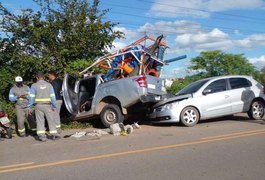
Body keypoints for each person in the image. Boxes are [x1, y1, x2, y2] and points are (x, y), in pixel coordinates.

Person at [28, 72, 60, 142]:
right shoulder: (49, 85)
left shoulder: (34, 85)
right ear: (44, 77)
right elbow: (52, 96)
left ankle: (42, 137)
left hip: (38, 106)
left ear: (37, 78)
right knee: (51, 120)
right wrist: (54, 105)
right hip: (48, 106)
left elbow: (31, 97)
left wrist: (29, 107)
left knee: (40, 121)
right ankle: (54, 134)